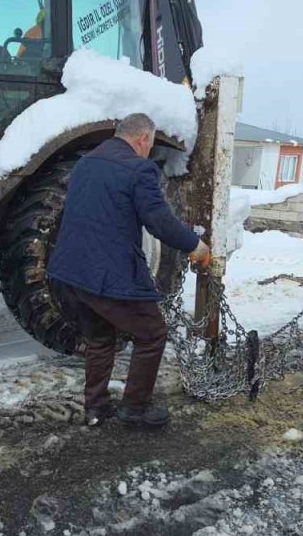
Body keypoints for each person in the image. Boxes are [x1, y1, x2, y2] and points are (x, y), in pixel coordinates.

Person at [47, 113, 211, 429]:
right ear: (143, 139)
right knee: (152, 335)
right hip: (106, 274)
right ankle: (135, 408)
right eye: (150, 145)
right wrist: (196, 246)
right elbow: (159, 221)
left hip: (69, 272)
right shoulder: (139, 168)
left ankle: (95, 408)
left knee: (100, 338)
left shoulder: (87, 162)